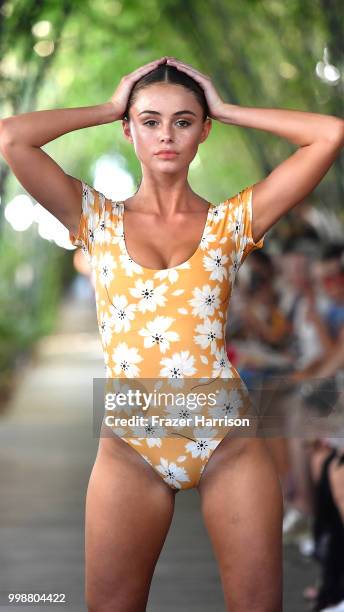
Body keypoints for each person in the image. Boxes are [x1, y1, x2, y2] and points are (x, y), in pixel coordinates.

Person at [0, 55, 343, 612]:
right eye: (150, 120)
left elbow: (328, 135)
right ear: (128, 129)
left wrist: (226, 105)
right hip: (131, 445)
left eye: (184, 121)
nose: (166, 135)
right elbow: (12, 137)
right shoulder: (95, 218)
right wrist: (110, 104)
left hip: (227, 440)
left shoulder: (234, 222)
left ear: (203, 131)